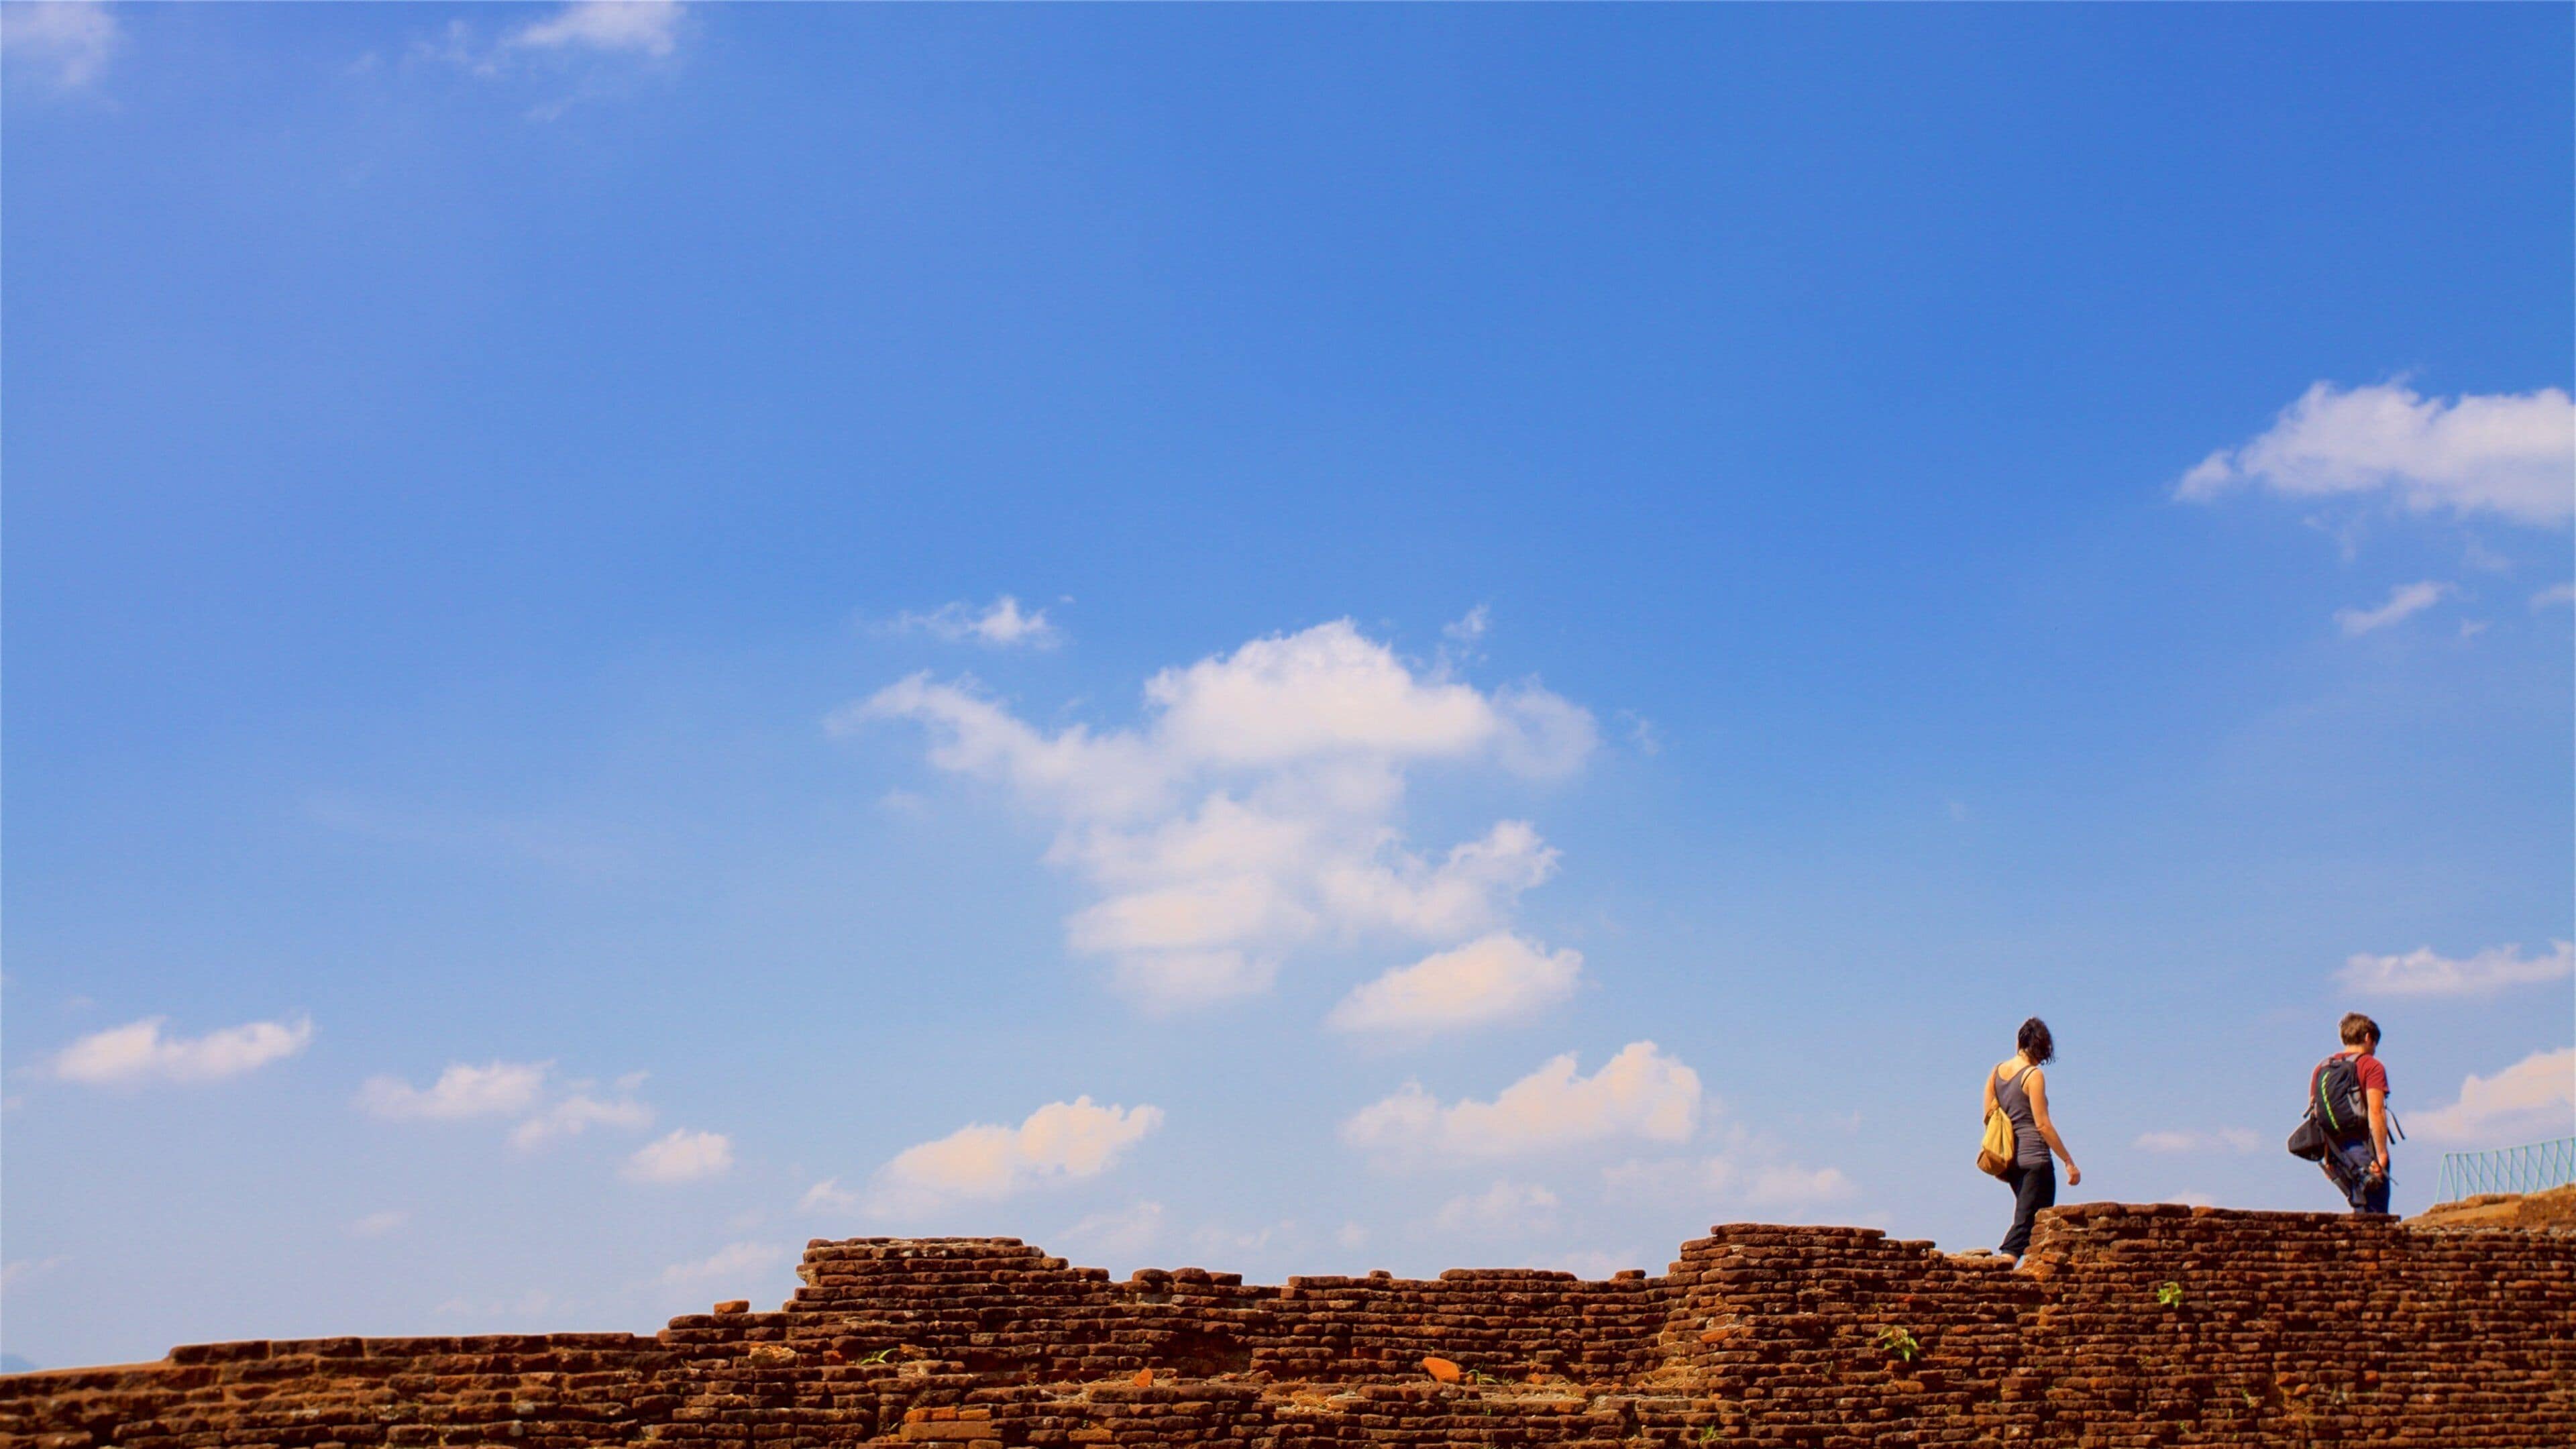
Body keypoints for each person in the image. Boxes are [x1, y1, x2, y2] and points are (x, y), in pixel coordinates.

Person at [1983, 1016, 2080, 1263]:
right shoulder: (2033, 1076)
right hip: (2036, 1159)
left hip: (2012, 1162)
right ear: (2042, 1047)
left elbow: (1989, 1116)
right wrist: (2068, 1160)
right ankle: (2001, 1268)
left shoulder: (1995, 1072)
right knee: (2032, 1224)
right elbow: (2043, 1124)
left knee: (2034, 1223)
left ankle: (2028, 1274)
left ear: (2019, 1041)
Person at [2316, 1012, 2394, 1214]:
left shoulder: (2323, 1067)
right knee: (2376, 1213)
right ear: (2368, 1037)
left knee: (2359, 1206)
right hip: (2364, 1147)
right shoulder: (2371, 1065)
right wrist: (2382, 1154)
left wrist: (2328, 1159)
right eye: (2375, 1045)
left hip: (2336, 1151)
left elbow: (2319, 1116)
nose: (2374, 1050)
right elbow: (2376, 1112)